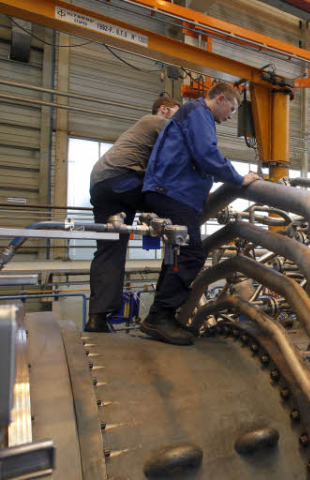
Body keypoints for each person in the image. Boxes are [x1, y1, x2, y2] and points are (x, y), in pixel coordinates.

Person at [140, 82, 261, 346]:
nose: (231, 116)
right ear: (220, 99)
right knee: (193, 254)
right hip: (171, 192)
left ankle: (162, 317)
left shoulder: (194, 114)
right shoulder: (198, 113)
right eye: (232, 108)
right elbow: (207, 155)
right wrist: (239, 179)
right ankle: (160, 316)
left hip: (170, 191)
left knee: (176, 255)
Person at [86, 97, 181, 333]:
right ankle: (164, 312)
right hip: (123, 179)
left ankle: (97, 318)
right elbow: (183, 150)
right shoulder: (155, 122)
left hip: (101, 184)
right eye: (176, 113)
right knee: (180, 225)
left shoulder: (139, 133)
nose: (177, 120)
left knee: (110, 248)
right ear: (163, 109)